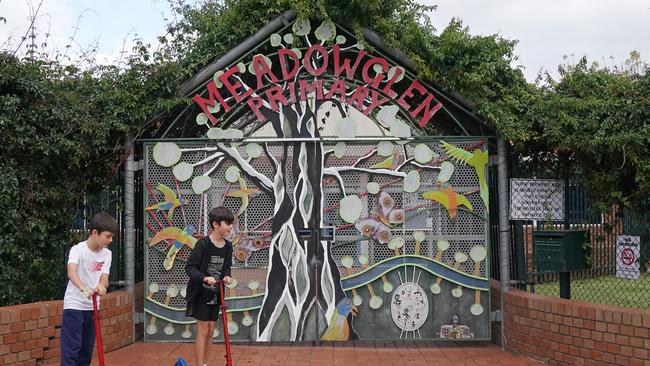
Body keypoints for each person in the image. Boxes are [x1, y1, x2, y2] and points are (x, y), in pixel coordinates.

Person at [60, 212, 118, 366]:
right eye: (108, 236)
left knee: (86, 353)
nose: (110, 240)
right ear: (94, 233)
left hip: (92, 308)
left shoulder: (107, 254)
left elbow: (104, 278)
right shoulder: (78, 250)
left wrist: (102, 286)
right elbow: (71, 272)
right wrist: (83, 288)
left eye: (112, 237)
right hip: (74, 306)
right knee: (71, 351)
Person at [185, 207, 234, 366]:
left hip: (216, 294)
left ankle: (205, 363)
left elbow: (226, 267)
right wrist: (204, 278)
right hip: (200, 293)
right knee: (203, 330)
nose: (230, 227)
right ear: (215, 224)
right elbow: (190, 268)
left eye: (231, 223)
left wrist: (227, 276)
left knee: (212, 331)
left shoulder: (228, 246)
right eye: (227, 223)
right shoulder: (203, 245)